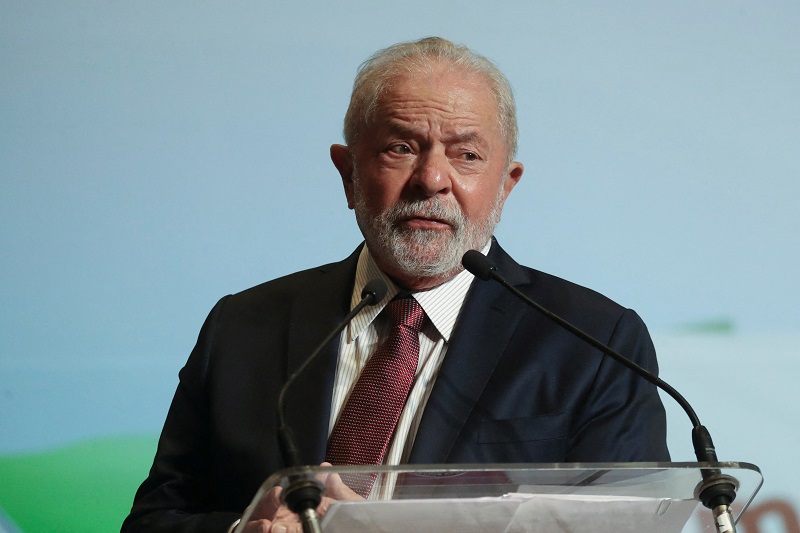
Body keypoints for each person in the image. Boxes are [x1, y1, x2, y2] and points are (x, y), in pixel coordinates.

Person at [122, 37, 669, 533]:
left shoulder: (594, 342)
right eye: (400, 148)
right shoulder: (242, 327)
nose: (431, 180)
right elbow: (154, 521)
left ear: (506, 185)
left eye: (467, 155)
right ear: (348, 174)